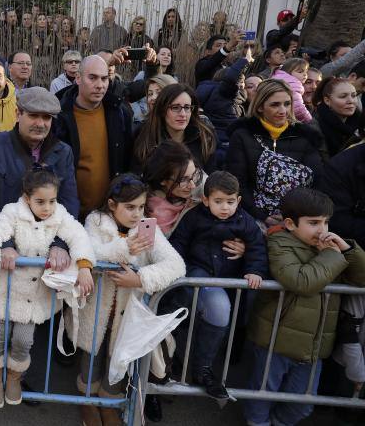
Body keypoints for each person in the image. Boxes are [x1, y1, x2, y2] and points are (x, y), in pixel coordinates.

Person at [244, 187, 365, 426]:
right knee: (260, 397)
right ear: (290, 223)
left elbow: (361, 278)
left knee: (302, 406)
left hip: (314, 346)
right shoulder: (279, 243)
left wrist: (348, 249)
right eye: (313, 223)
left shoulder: (330, 250)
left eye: (326, 223)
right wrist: (331, 256)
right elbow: (301, 281)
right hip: (276, 341)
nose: (322, 230)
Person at [73, 174, 185, 425]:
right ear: (112, 205)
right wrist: (124, 249)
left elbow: (176, 265)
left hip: (128, 312)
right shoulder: (96, 220)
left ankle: (109, 403)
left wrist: (140, 279)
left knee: (119, 357)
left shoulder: (147, 229)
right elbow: (90, 251)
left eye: (141, 207)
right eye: (130, 207)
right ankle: (88, 401)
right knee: (91, 356)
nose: (137, 214)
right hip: (96, 308)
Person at [0, 167, 94, 408]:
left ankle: (14, 377)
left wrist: (84, 266)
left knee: (23, 340)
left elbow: (79, 235)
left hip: (32, 297)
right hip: (5, 292)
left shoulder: (59, 215)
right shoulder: (12, 213)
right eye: (40, 201)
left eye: (52, 201)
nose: (47, 207)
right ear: (27, 196)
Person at [168, 171, 267, 400]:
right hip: (198, 271)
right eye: (218, 201)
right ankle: (187, 368)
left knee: (221, 317)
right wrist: (175, 271)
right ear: (205, 200)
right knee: (217, 310)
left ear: (239, 201)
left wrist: (254, 270)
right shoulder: (194, 217)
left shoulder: (245, 221)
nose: (225, 207)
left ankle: (202, 368)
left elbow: (257, 247)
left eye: (230, 202)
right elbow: (179, 244)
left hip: (229, 277)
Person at [0, 86, 79, 257]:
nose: (40, 124)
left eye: (46, 117)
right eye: (33, 115)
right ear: (17, 113)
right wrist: (3, 243)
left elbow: (68, 201)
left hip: (44, 255)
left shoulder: (63, 152)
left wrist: (60, 244)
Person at [226, 79, 325, 225]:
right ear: (260, 107)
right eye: (275, 105)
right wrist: (261, 216)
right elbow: (237, 182)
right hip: (251, 216)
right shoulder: (242, 135)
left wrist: (296, 217)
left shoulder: (306, 137)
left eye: (287, 103)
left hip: (299, 217)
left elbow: (318, 182)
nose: (283, 110)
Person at [57, 55, 132, 219]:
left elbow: (126, 161)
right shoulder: (60, 116)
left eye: (104, 79)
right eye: (93, 78)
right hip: (71, 216)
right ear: (78, 78)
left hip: (110, 215)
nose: (100, 85)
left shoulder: (119, 112)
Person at [132, 83, 217, 172]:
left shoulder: (204, 137)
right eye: (175, 107)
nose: (183, 114)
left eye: (187, 107)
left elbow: (211, 179)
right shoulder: (145, 136)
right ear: (162, 110)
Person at [142, 140, 203, 237]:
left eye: (194, 174)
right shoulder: (156, 213)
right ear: (163, 180)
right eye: (183, 179)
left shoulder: (198, 183)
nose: (193, 185)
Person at [311, 77, 363, 157]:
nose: (351, 101)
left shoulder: (361, 124)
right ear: (327, 101)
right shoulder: (314, 127)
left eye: (353, 95)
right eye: (343, 96)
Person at [272, 58, 313, 123]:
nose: (305, 74)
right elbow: (299, 109)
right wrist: (310, 120)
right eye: (300, 72)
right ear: (288, 72)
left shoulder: (279, 78)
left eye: (306, 72)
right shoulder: (293, 84)